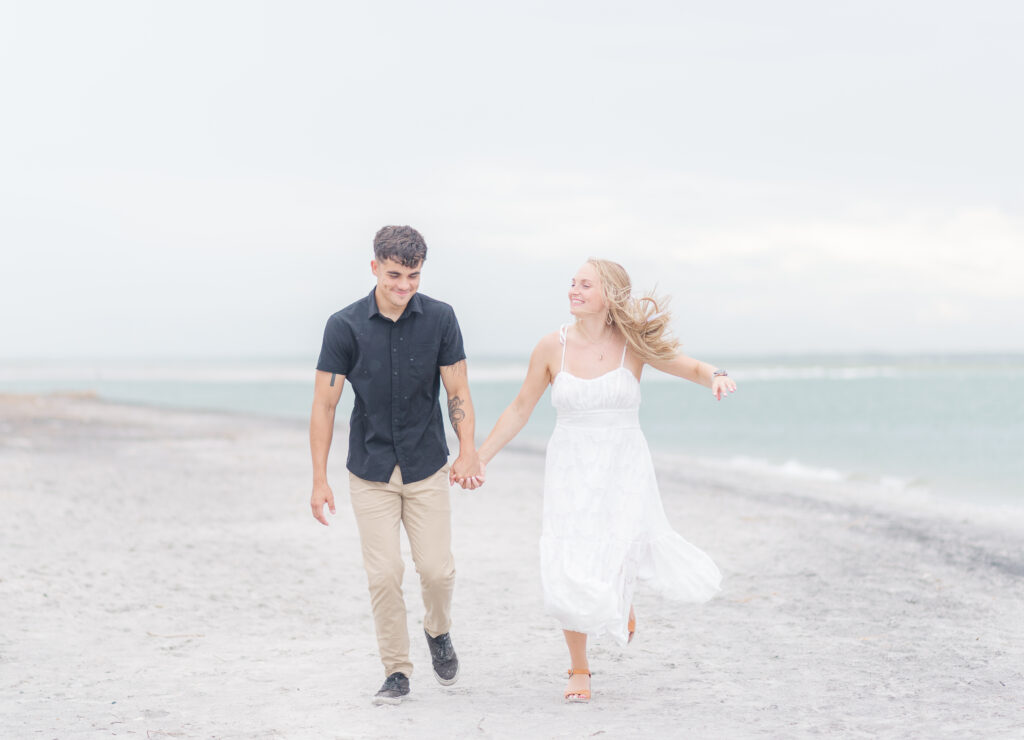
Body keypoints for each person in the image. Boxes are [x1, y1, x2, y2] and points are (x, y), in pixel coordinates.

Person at [477, 258, 733, 703]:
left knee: (617, 544)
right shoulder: (549, 348)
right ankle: (579, 668)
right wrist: (479, 458)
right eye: (572, 283)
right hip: (571, 466)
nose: (573, 291)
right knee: (570, 560)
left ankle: (618, 594)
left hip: (623, 463)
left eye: (585, 285)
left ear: (609, 295)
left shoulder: (632, 344)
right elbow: (520, 408)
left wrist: (716, 376)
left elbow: (689, 367)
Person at [309, 225, 484, 705]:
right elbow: (324, 406)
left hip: (427, 465)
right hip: (370, 469)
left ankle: (438, 629)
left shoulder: (442, 319)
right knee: (384, 574)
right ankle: (397, 671)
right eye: (393, 275)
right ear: (374, 269)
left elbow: (458, 390)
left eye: (413, 276)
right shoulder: (343, 326)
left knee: (437, 572)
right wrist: (319, 479)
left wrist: (468, 448)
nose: (403, 285)